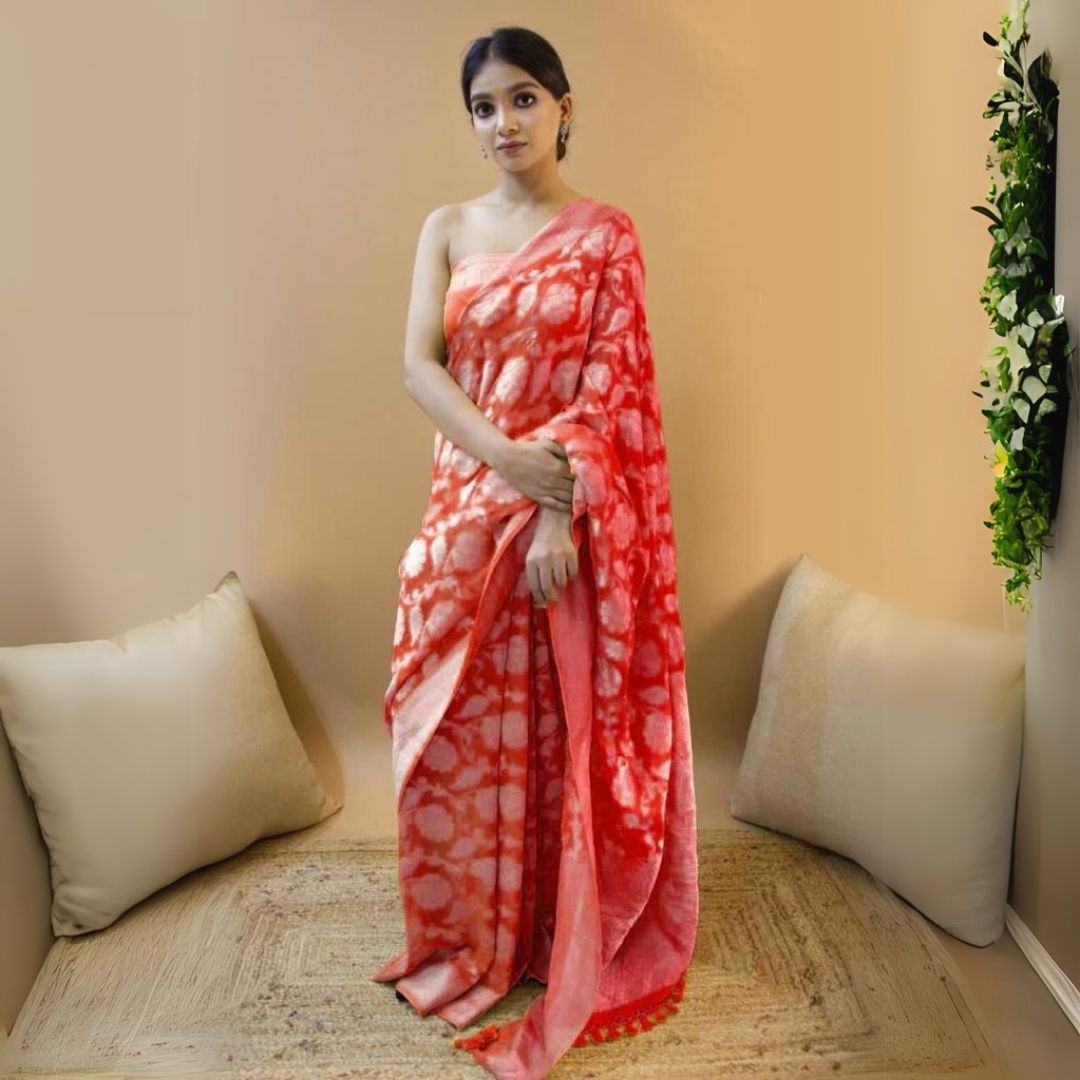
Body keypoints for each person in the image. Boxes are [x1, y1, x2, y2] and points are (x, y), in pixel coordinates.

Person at [370, 24, 700, 1080]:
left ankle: (546, 936)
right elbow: (422, 368)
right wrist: (510, 465)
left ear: (563, 106)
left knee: (555, 738)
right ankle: (473, 934)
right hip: (469, 506)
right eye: (482, 107)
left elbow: (614, 395)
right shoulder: (447, 227)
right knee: (446, 726)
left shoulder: (606, 236)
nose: (502, 122)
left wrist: (556, 509)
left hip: (565, 524)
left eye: (521, 99)